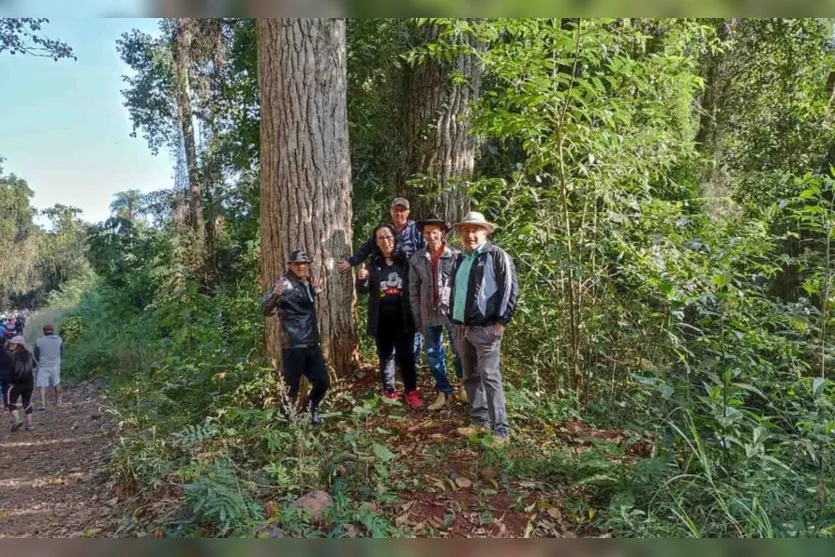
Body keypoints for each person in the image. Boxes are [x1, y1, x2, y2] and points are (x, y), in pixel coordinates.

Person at [450, 211, 519, 446]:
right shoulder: (461, 258)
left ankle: (501, 430)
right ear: (461, 233)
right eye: (466, 230)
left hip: (486, 328)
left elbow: (509, 289)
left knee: (490, 376)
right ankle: (479, 422)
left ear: (485, 232)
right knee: (470, 375)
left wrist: (502, 321)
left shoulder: (496, 255)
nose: (470, 234)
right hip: (461, 328)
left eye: (475, 230)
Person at [338, 197, 425, 362]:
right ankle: (397, 364)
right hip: (389, 287)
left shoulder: (416, 231)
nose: (399, 213)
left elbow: (427, 252)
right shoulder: (385, 231)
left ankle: (413, 362)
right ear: (391, 211)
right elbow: (367, 248)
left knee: (412, 323)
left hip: (412, 285)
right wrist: (351, 261)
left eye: (402, 210)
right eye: (395, 210)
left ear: (408, 212)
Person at [356, 224, 423, 408]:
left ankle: (412, 392)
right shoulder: (373, 264)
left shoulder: (405, 262)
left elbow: (417, 285)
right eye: (381, 238)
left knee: (406, 356)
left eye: (388, 237)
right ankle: (389, 391)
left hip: (403, 318)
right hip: (381, 319)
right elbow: (363, 290)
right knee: (385, 356)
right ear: (376, 242)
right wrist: (361, 278)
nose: (386, 241)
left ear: (394, 238)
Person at [261, 249, 330, 426]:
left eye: (304, 263)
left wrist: (314, 292)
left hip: (311, 342)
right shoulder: (284, 283)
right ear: (290, 265)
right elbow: (265, 309)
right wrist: (275, 294)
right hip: (293, 344)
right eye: (297, 263)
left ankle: (310, 411)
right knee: (291, 388)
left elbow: (303, 305)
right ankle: (284, 424)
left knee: (322, 381)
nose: (301, 266)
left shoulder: (307, 284)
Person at [409, 214, 466, 411]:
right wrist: (417, 317)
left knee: (460, 351)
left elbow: (462, 286)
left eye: (435, 232)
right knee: (433, 354)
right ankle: (443, 391)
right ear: (423, 234)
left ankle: (463, 386)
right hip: (427, 312)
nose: (431, 236)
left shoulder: (456, 256)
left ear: (442, 233)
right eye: (427, 232)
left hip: (451, 312)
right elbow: (413, 290)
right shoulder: (416, 258)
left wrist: (463, 313)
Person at [6, 335, 36, 432]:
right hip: (29, 382)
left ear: (18, 345)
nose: (10, 345)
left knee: (11, 402)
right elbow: (34, 366)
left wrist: (10, 382)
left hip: (17, 383)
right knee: (26, 402)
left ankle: (17, 420)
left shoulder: (12, 356)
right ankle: (30, 425)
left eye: (12, 344)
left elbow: (11, 371)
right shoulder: (29, 354)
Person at [34, 324, 64, 409]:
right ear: (52, 331)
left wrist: (39, 361)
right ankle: (58, 401)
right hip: (55, 365)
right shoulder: (59, 339)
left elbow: (36, 354)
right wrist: (58, 360)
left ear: (44, 332)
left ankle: (43, 404)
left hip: (43, 365)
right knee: (56, 383)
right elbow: (62, 352)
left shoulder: (39, 341)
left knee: (42, 385)